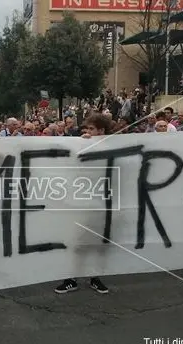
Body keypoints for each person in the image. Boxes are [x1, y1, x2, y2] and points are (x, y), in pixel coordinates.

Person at [54, 114, 110, 295]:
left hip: (101, 204)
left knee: (97, 243)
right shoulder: (80, 145)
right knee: (76, 241)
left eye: (91, 129)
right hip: (80, 202)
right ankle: (71, 278)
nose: (87, 132)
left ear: (101, 130)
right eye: (86, 129)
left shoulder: (111, 146)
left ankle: (94, 277)